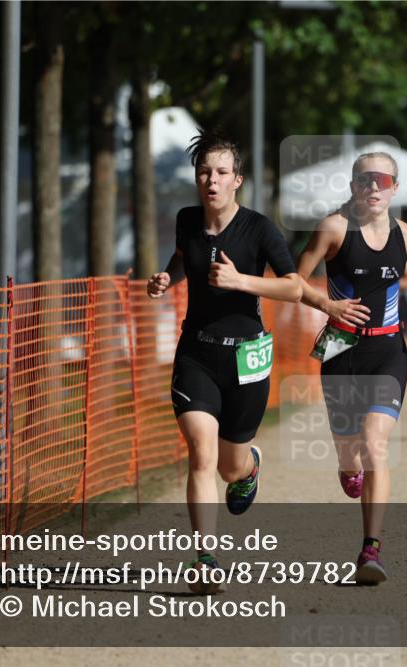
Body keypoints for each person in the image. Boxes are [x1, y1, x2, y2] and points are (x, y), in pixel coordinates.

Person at [146, 130, 301, 593]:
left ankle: (249, 468)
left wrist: (242, 282)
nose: (211, 180)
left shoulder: (259, 229)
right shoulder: (187, 220)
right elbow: (182, 257)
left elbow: (293, 287)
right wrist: (167, 278)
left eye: (220, 172)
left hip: (246, 358)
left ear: (238, 180)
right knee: (201, 451)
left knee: (229, 467)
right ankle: (206, 560)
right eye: (204, 172)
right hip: (196, 352)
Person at [295, 151, 407, 584]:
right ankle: (348, 468)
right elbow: (294, 281)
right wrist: (327, 304)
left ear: (395, 188)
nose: (374, 187)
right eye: (365, 180)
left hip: (387, 351)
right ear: (353, 187)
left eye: (383, 180)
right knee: (350, 457)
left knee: (374, 442)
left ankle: (370, 550)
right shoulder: (333, 228)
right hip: (340, 351)